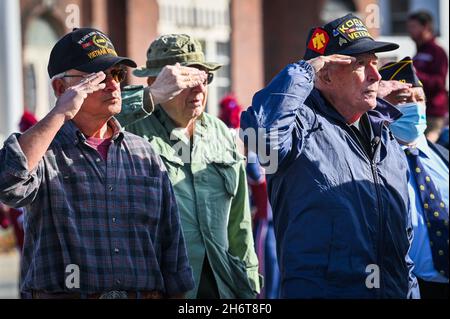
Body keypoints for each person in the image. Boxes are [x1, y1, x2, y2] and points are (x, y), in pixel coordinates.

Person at [0, 28, 197, 299]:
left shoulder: (144, 153)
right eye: (98, 77)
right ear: (61, 88)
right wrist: (60, 112)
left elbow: (173, 251)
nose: (113, 84)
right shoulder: (44, 151)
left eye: (116, 74)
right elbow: (9, 182)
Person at [240, 13, 418, 298]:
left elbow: (402, 247)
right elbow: (262, 139)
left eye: (375, 63)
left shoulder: (384, 138)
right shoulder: (301, 128)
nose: (375, 75)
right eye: (360, 64)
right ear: (325, 75)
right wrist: (304, 71)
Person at [117, 34, 260, 299]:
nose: (198, 89)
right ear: (155, 83)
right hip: (160, 288)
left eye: (203, 78)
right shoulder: (128, 132)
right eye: (185, 80)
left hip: (223, 287)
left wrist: (250, 288)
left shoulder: (221, 133)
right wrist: (150, 96)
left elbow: (240, 225)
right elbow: (90, 118)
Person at [379, 57, 449, 299]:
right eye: (403, 99)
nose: (415, 107)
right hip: (407, 287)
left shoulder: (443, 156)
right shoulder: (371, 163)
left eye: (420, 99)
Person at [219, 94, 280, 299]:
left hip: (274, 222)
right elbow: (253, 174)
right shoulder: (255, 147)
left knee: (274, 276)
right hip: (267, 220)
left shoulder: (272, 144)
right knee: (268, 277)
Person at [407, 11, 449, 143]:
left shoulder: (437, 51)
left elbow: (439, 83)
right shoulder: (419, 52)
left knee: (429, 149)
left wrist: (414, 74)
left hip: (433, 114)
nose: (409, 31)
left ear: (425, 27)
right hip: (419, 110)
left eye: (413, 26)